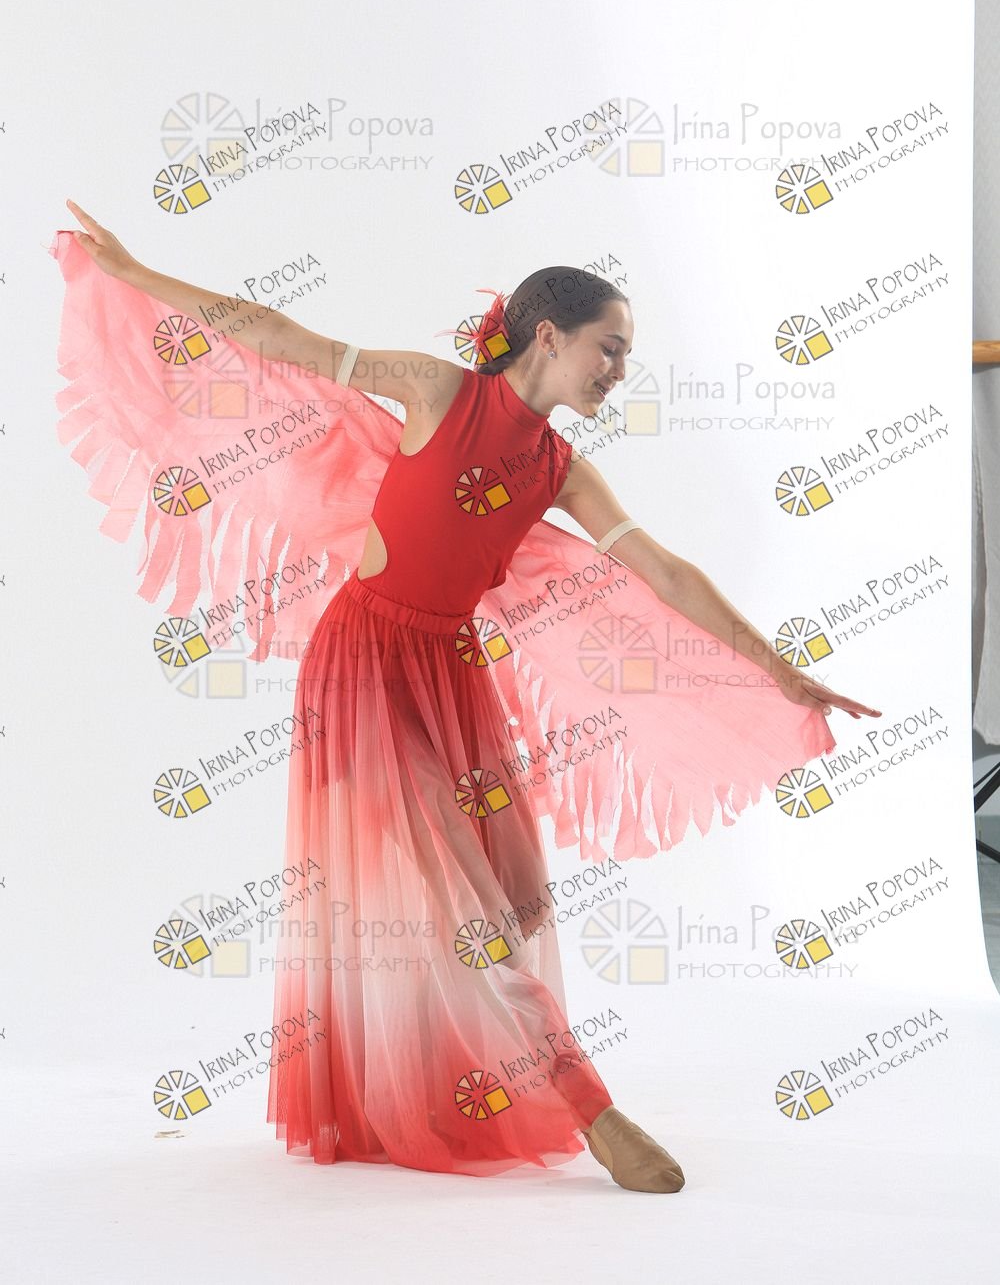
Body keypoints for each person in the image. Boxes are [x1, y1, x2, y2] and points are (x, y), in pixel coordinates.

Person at [54, 201, 880, 1194]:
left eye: (625, 355)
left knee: (511, 893)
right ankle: (593, 1110)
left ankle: (454, 1079)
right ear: (549, 336)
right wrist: (135, 273)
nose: (619, 370)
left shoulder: (562, 469)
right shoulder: (438, 390)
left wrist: (779, 668)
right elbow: (276, 334)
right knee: (457, 904)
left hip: (451, 672)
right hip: (363, 665)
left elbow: (665, 571)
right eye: (609, 348)